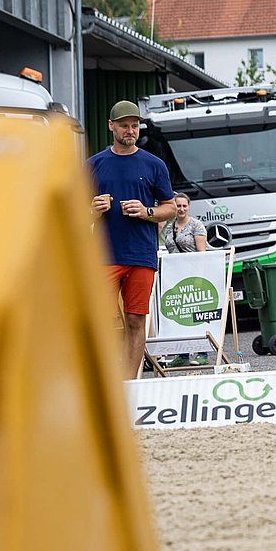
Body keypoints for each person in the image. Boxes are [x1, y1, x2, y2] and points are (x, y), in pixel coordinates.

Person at [89, 100, 176, 377]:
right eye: (125, 126)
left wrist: (146, 211)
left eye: (135, 126)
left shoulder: (154, 164)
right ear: (111, 126)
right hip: (104, 256)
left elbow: (171, 207)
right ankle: (105, 380)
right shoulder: (94, 164)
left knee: (136, 320)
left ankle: (129, 383)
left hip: (141, 255)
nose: (130, 131)